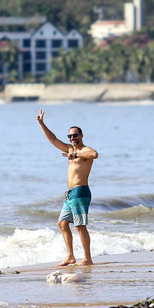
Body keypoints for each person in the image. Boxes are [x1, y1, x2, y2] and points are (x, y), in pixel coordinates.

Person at [36, 109, 98, 266]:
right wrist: (42, 124)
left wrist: (76, 156)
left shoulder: (83, 151)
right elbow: (53, 140)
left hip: (81, 191)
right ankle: (70, 256)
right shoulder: (69, 149)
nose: (72, 138)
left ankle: (87, 258)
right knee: (62, 223)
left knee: (80, 226)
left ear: (81, 136)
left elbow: (95, 154)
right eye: (70, 136)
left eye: (75, 135)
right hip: (70, 194)